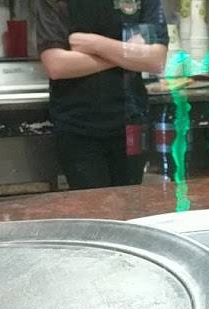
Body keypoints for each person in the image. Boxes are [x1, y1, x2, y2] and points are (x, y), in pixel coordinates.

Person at [36, 0, 169, 190]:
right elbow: (56, 65)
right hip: (77, 128)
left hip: (133, 123)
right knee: (91, 206)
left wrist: (95, 44)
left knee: (131, 203)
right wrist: (127, 53)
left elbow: (156, 60)